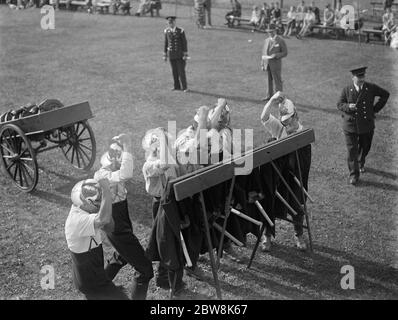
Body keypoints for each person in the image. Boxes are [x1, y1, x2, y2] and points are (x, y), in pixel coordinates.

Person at [93, 134, 154, 299]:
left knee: (121, 256)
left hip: (121, 221)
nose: (122, 158)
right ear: (110, 157)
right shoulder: (104, 174)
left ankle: (98, 290)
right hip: (116, 226)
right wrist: (126, 146)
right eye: (118, 154)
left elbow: (126, 170)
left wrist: (126, 149)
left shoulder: (111, 170)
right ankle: (98, 290)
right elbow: (126, 174)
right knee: (145, 270)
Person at [260, 91, 310, 251]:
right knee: (270, 201)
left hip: (295, 175)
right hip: (278, 175)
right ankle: (267, 235)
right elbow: (264, 117)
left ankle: (298, 234)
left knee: (297, 202)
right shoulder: (279, 128)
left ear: (296, 117)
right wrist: (272, 100)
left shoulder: (304, 134)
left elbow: (304, 161)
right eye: (284, 122)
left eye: (289, 122)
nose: (286, 126)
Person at [65, 178, 129, 300]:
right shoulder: (77, 220)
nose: (100, 204)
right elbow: (103, 220)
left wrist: (106, 202)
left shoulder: (85, 211)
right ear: (85, 202)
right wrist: (106, 190)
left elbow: (110, 227)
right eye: (97, 202)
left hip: (94, 275)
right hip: (91, 281)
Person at [337, 67, 390, 185]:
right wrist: (348, 107)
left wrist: (374, 110)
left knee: (365, 146)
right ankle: (354, 175)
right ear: (353, 77)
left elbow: (386, 94)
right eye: (359, 77)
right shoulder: (347, 89)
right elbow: (340, 104)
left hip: (367, 124)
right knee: (352, 150)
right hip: (350, 125)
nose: (361, 79)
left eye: (363, 77)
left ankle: (361, 162)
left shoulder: (370, 87)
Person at [261, 24, 288, 101]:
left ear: (275, 31)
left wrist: (276, 55)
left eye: (271, 31)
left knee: (277, 81)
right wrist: (262, 64)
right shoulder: (266, 40)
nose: (270, 33)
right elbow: (263, 53)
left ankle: (280, 98)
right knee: (268, 81)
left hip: (276, 65)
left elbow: (285, 52)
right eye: (269, 32)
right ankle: (269, 96)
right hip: (267, 64)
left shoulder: (280, 40)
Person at [163, 16, 189, 92]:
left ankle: (185, 87)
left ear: (175, 22)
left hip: (180, 54)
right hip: (171, 54)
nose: (171, 24)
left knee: (181, 71)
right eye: (169, 23)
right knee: (174, 71)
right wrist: (165, 54)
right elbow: (166, 43)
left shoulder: (180, 30)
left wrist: (185, 54)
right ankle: (176, 86)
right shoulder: (166, 31)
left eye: (172, 22)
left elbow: (184, 43)